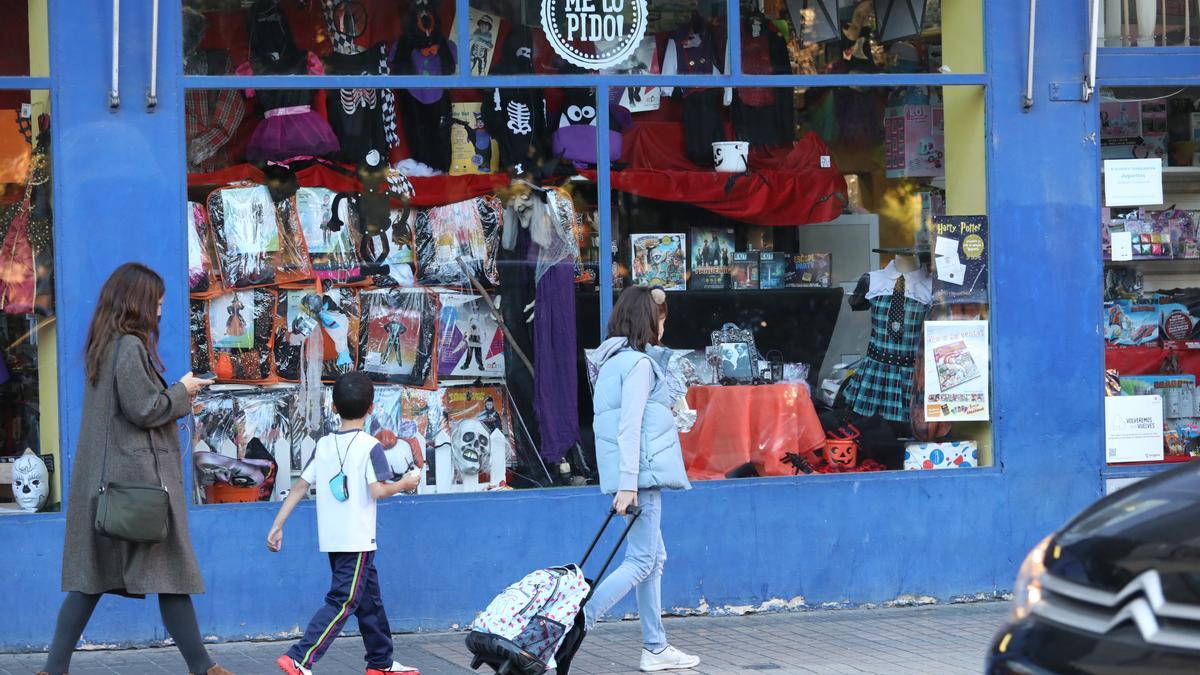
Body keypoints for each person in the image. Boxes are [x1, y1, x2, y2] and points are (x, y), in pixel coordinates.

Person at [42, 263, 226, 675]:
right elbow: (145, 409)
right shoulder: (128, 347)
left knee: (97, 580)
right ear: (139, 304)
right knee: (167, 572)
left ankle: (54, 670)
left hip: (117, 486)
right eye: (157, 303)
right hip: (138, 489)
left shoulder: (107, 345)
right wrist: (183, 390)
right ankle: (204, 668)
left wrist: (174, 392)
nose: (160, 312)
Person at [269, 372, 421, 675]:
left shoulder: (323, 445)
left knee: (370, 601)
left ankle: (381, 662)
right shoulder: (370, 446)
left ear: (334, 407)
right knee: (344, 601)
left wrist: (277, 524)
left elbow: (300, 486)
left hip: (334, 540)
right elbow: (378, 489)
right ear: (372, 408)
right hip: (357, 540)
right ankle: (300, 657)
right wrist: (405, 482)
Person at [585, 285, 699, 672]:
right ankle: (574, 624)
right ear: (648, 321)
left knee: (654, 558)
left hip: (635, 474)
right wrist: (629, 483)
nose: (663, 327)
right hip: (642, 477)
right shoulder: (637, 365)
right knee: (640, 561)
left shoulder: (610, 362)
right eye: (661, 319)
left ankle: (655, 646)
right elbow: (629, 427)